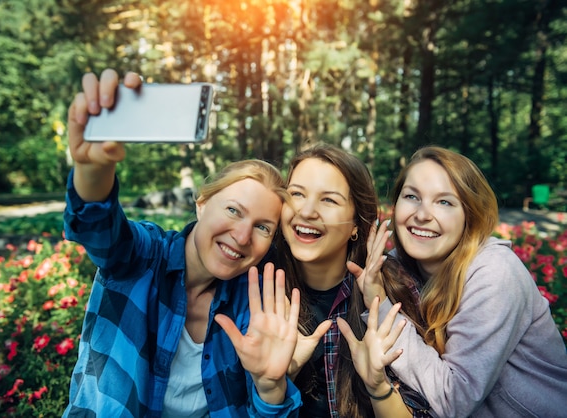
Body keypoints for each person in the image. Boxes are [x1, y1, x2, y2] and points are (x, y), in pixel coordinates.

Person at [62, 69, 302, 417]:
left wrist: (270, 388)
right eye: (233, 210)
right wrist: (93, 169)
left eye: (263, 228)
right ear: (202, 203)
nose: (242, 236)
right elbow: (99, 227)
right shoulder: (144, 255)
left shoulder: (255, 303)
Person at [353, 145, 567, 417]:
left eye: (444, 202)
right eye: (411, 196)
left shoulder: (495, 273)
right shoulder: (396, 266)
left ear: (470, 215)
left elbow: (453, 398)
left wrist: (380, 303)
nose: (422, 214)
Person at [274, 143, 430, 417]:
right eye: (297, 194)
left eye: (329, 200)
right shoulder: (258, 285)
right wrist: (274, 383)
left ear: (356, 224)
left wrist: (377, 385)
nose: (307, 211)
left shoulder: (392, 290)